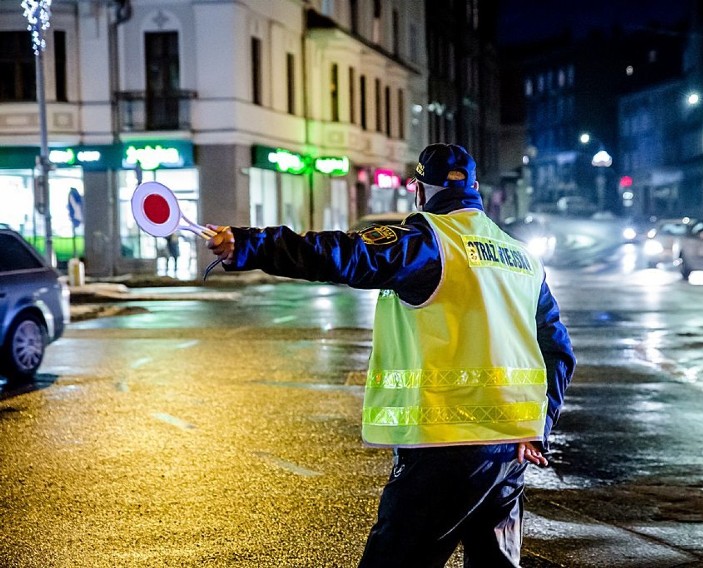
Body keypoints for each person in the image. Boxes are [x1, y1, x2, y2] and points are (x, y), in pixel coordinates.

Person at [206, 143, 575, 567]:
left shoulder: (430, 242)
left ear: (419, 191)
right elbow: (559, 351)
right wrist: (539, 425)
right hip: (510, 451)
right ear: (475, 187)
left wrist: (250, 245)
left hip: (444, 449)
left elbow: (343, 253)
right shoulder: (522, 257)